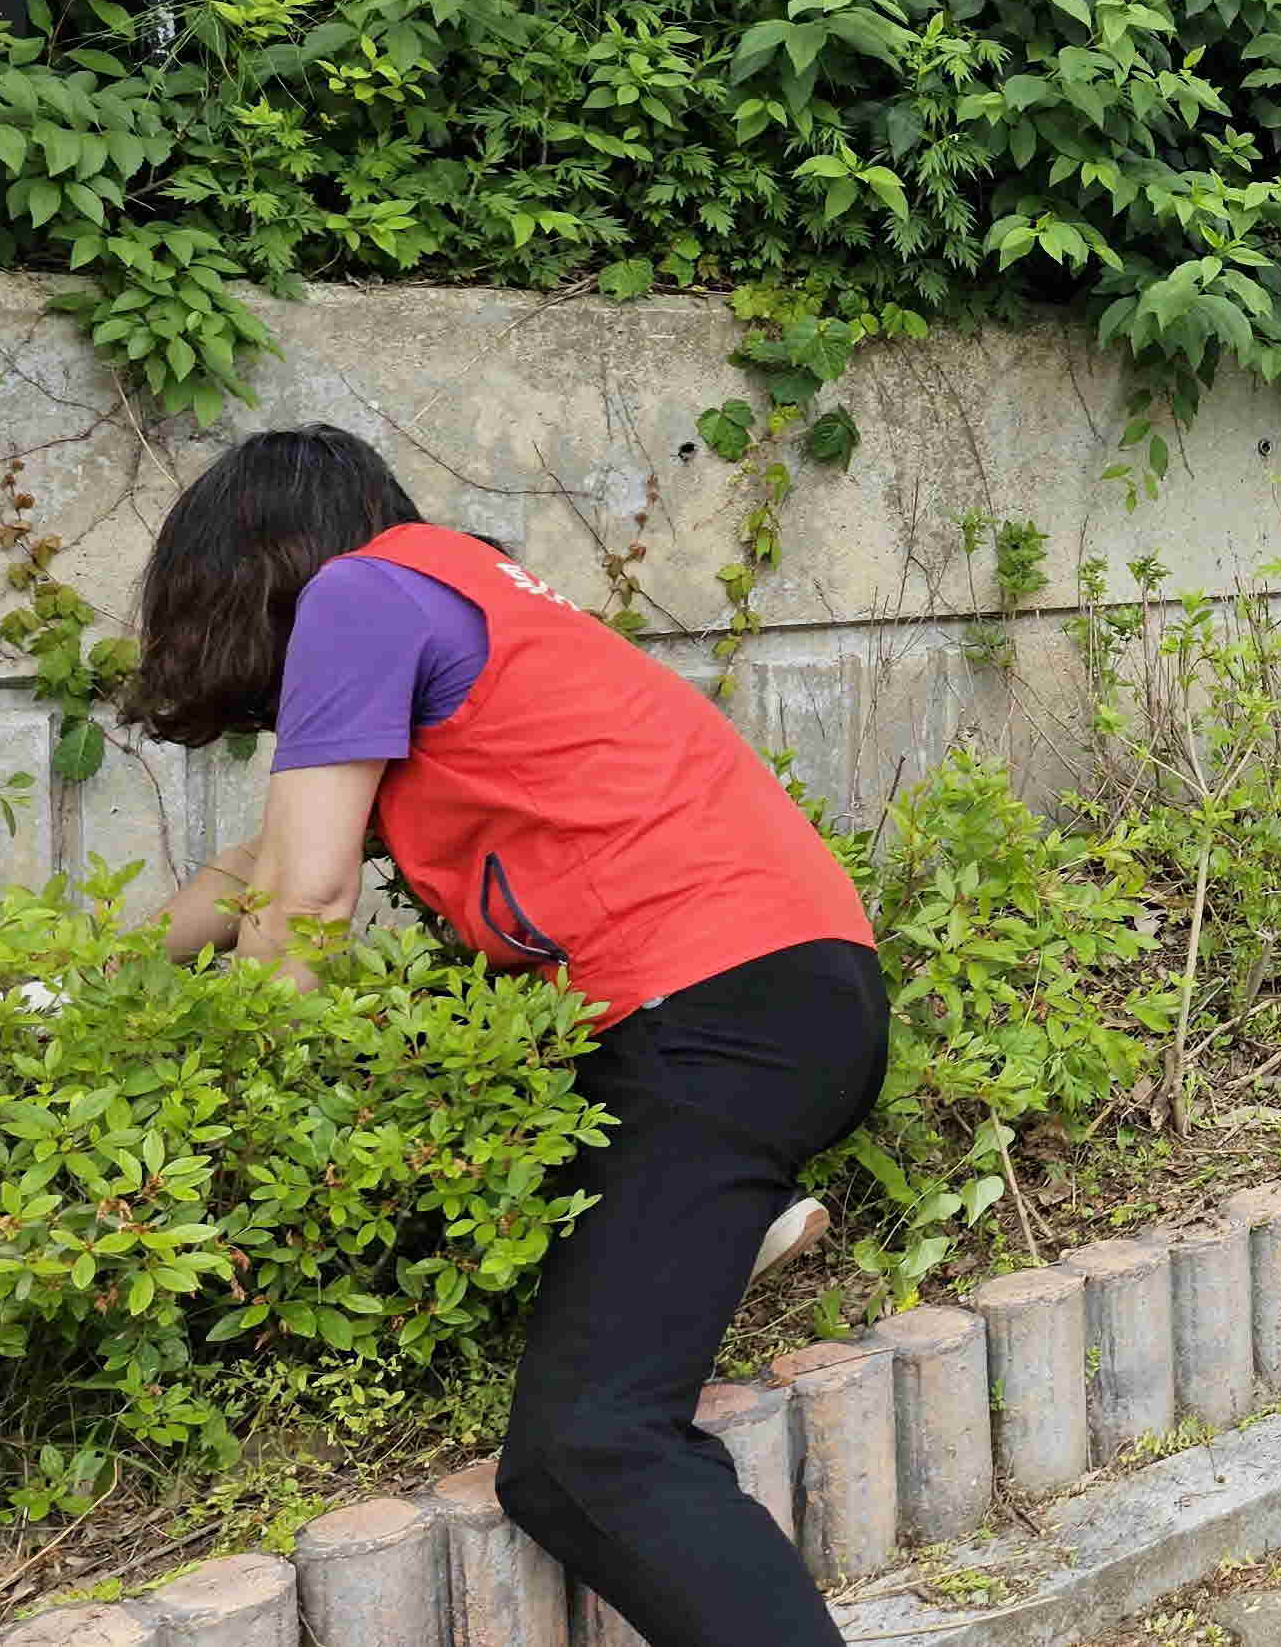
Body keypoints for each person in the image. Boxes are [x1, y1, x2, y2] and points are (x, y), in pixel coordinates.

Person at [128, 426, 885, 1647]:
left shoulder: (357, 593)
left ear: (256, 556)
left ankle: (699, 1209)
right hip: (780, 998)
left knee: (589, 1454)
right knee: (497, 1130)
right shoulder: (458, 595)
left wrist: (245, 1122)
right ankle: (708, 1219)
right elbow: (262, 869)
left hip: (717, 1018)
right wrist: (93, 983)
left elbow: (308, 903)